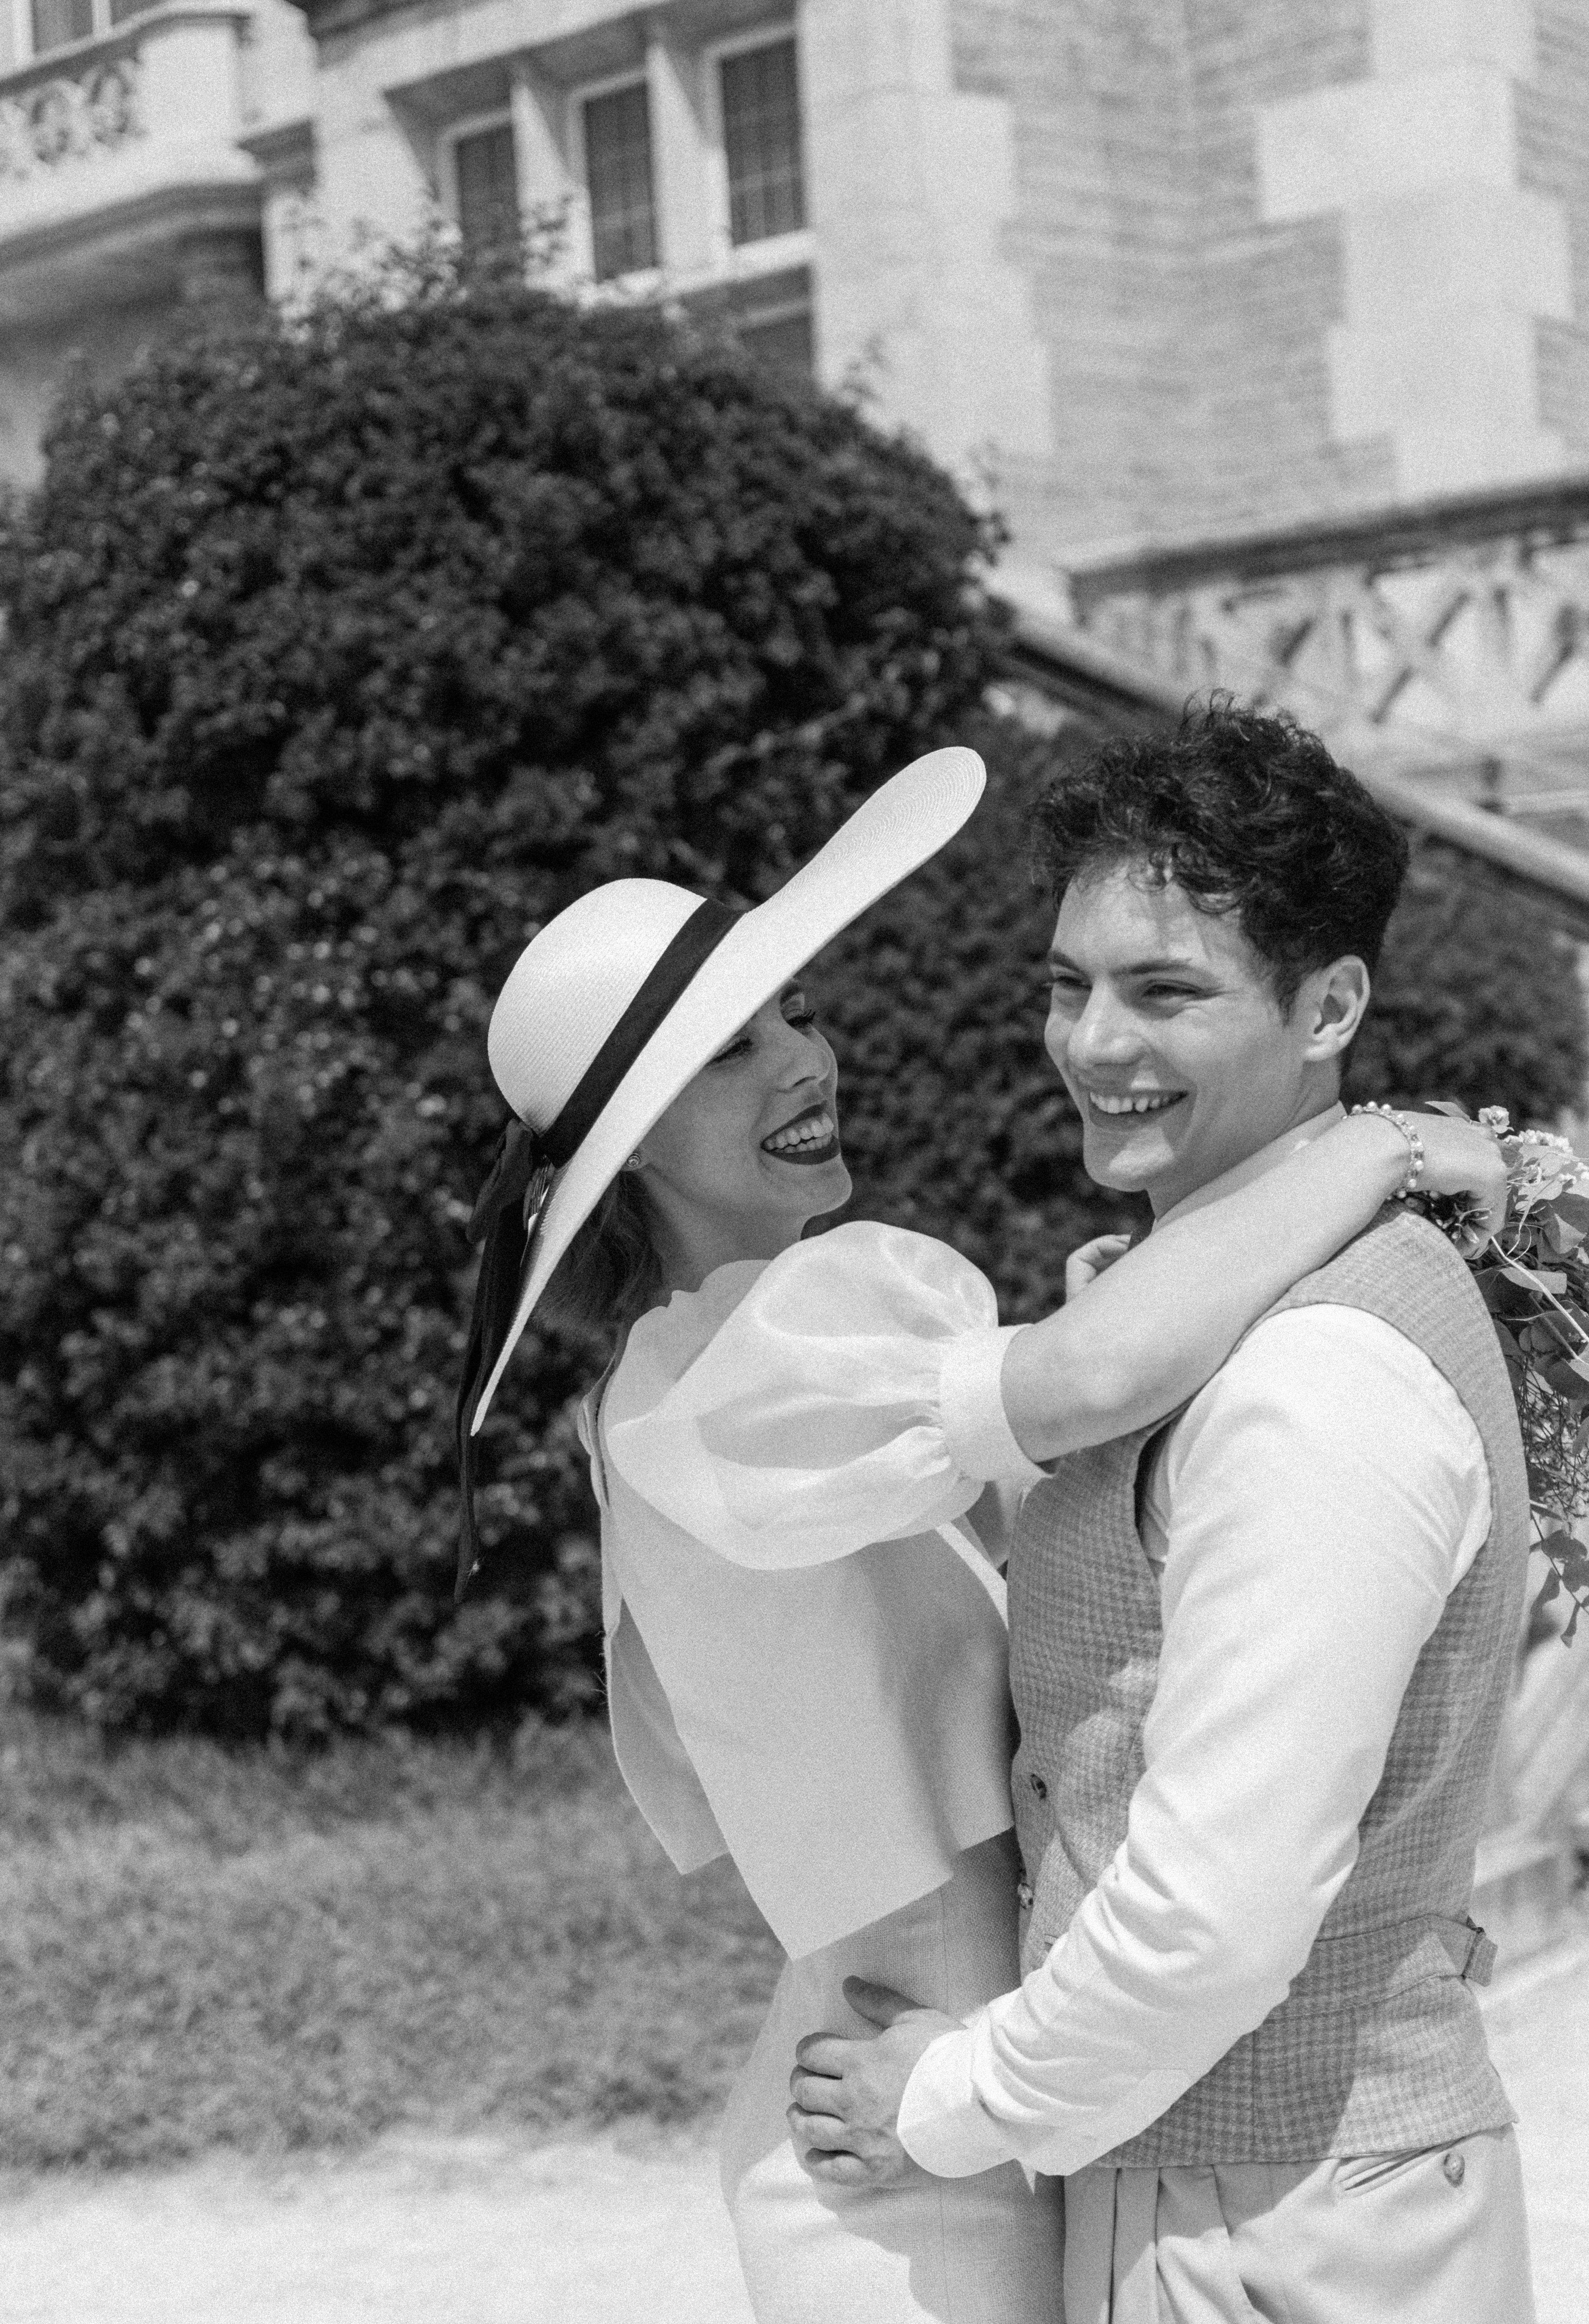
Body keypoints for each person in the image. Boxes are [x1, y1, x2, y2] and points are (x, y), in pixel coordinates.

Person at [458, 747, 1507, 2324]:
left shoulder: (774, 1354)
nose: (804, 1062)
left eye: (794, 1014)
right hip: (913, 2116)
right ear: (629, 1157)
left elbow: (1102, 1549)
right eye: (730, 1058)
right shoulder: (742, 1372)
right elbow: (1093, 1382)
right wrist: (1373, 1147)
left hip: (977, 2082)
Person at [788, 706, 1537, 2324]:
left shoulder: (1315, 1381)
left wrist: (947, 2096)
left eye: (1167, 991)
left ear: (1330, 1005)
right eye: (1069, 986)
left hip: (1282, 2221)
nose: (1093, 1046)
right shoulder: (1228, 1308)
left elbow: (1214, 1914)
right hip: (1263, 2193)